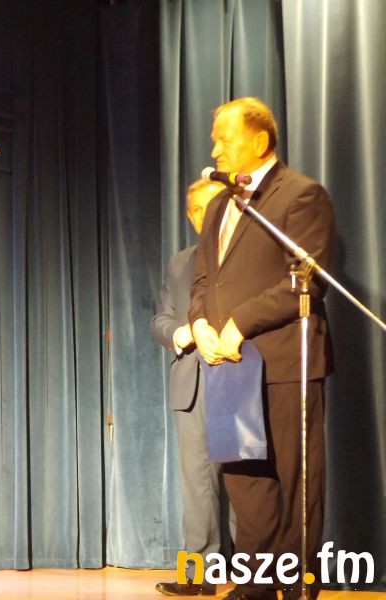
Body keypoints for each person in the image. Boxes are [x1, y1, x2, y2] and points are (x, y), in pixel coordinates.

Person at [190, 98, 334, 600]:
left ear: (259, 141)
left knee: (296, 478)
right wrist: (201, 324)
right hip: (231, 364)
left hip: (286, 361)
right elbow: (203, 279)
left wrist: (240, 322)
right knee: (244, 478)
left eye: (224, 139)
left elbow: (306, 280)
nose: (215, 149)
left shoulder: (301, 195)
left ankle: (295, 587)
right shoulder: (218, 206)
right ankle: (254, 584)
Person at [152, 179, 227, 597]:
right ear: (190, 216)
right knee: (197, 485)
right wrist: (179, 334)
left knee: (244, 481)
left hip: (236, 377)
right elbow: (160, 318)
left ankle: (254, 578)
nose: (205, 216)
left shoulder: (242, 255)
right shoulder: (180, 262)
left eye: (213, 206)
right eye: (198, 210)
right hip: (191, 384)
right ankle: (198, 576)